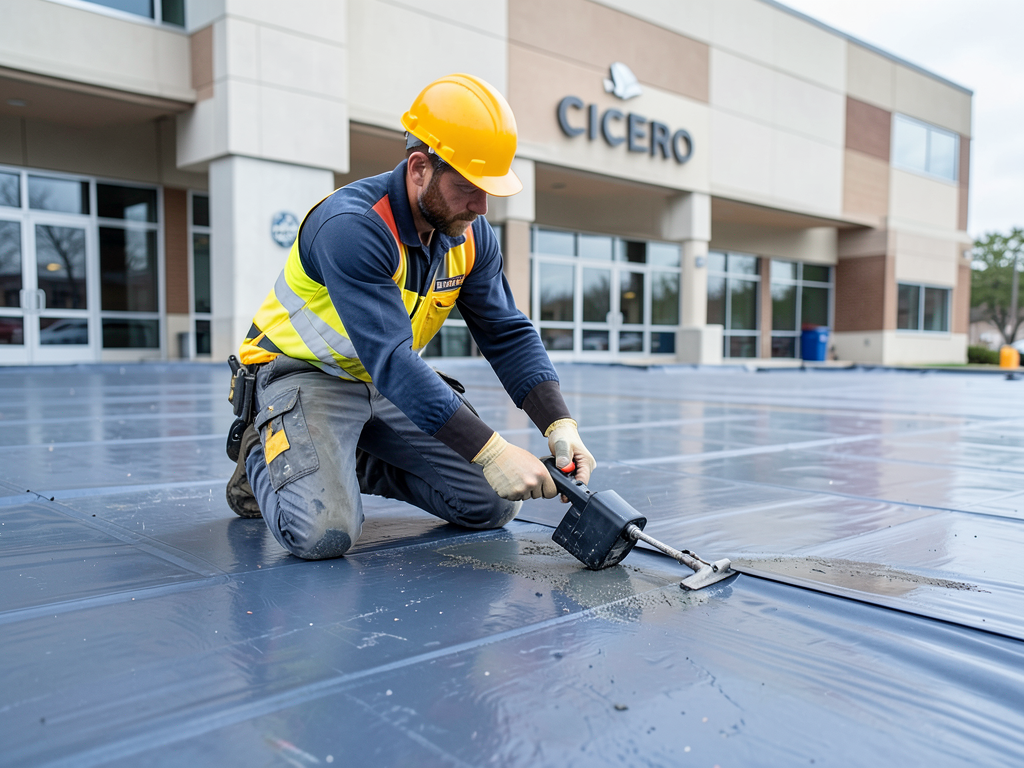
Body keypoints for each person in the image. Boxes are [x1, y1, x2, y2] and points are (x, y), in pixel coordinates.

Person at [226, 73, 595, 560]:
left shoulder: (470, 233)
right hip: (305, 376)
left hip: (381, 384)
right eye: (468, 187)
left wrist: (559, 423)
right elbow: (394, 359)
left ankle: (337, 454)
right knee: (322, 534)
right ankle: (266, 446)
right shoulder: (352, 226)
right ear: (419, 167)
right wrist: (492, 451)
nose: (482, 206)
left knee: (490, 503)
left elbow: (505, 332)